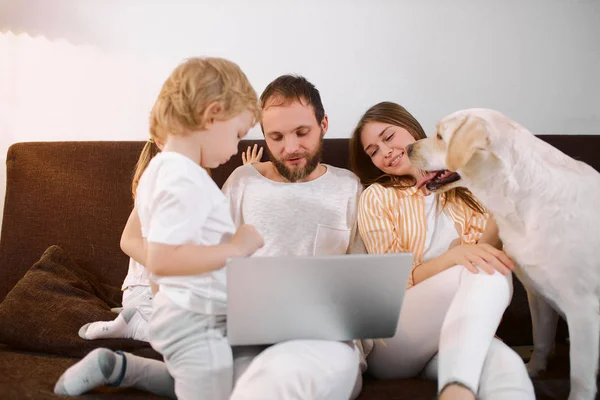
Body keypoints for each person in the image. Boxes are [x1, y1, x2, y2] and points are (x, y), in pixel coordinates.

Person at [55, 74, 361, 400]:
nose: (290, 148)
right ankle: (121, 367)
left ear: (323, 124)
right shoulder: (243, 181)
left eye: (302, 133)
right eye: (276, 137)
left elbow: (363, 280)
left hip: (324, 337)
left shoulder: (350, 188)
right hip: (246, 330)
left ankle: (122, 369)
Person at [55, 57, 264, 400]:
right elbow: (163, 260)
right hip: (196, 320)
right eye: (238, 134)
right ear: (212, 115)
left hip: (190, 314)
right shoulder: (181, 176)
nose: (236, 147)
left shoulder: (163, 170)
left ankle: (119, 368)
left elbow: (161, 267)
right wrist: (237, 247)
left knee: (213, 383)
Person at [349, 101, 535, 400]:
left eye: (388, 137)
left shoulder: (464, 192)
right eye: (373, 151)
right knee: (487, 269)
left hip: (456, 333)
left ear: (411, 129)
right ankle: (458, 389)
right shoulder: (377, 197)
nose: (384, 151)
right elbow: (396, 280)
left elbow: (483, 253)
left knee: (507, 368)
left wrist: (501, 199)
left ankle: (456, 383)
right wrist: (452, 257)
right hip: (397, 337)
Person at [77, 140, 161, 342]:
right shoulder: (156, 188)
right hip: (146, 291)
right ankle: (135, 324)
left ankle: (132, 316)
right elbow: (128, 241)